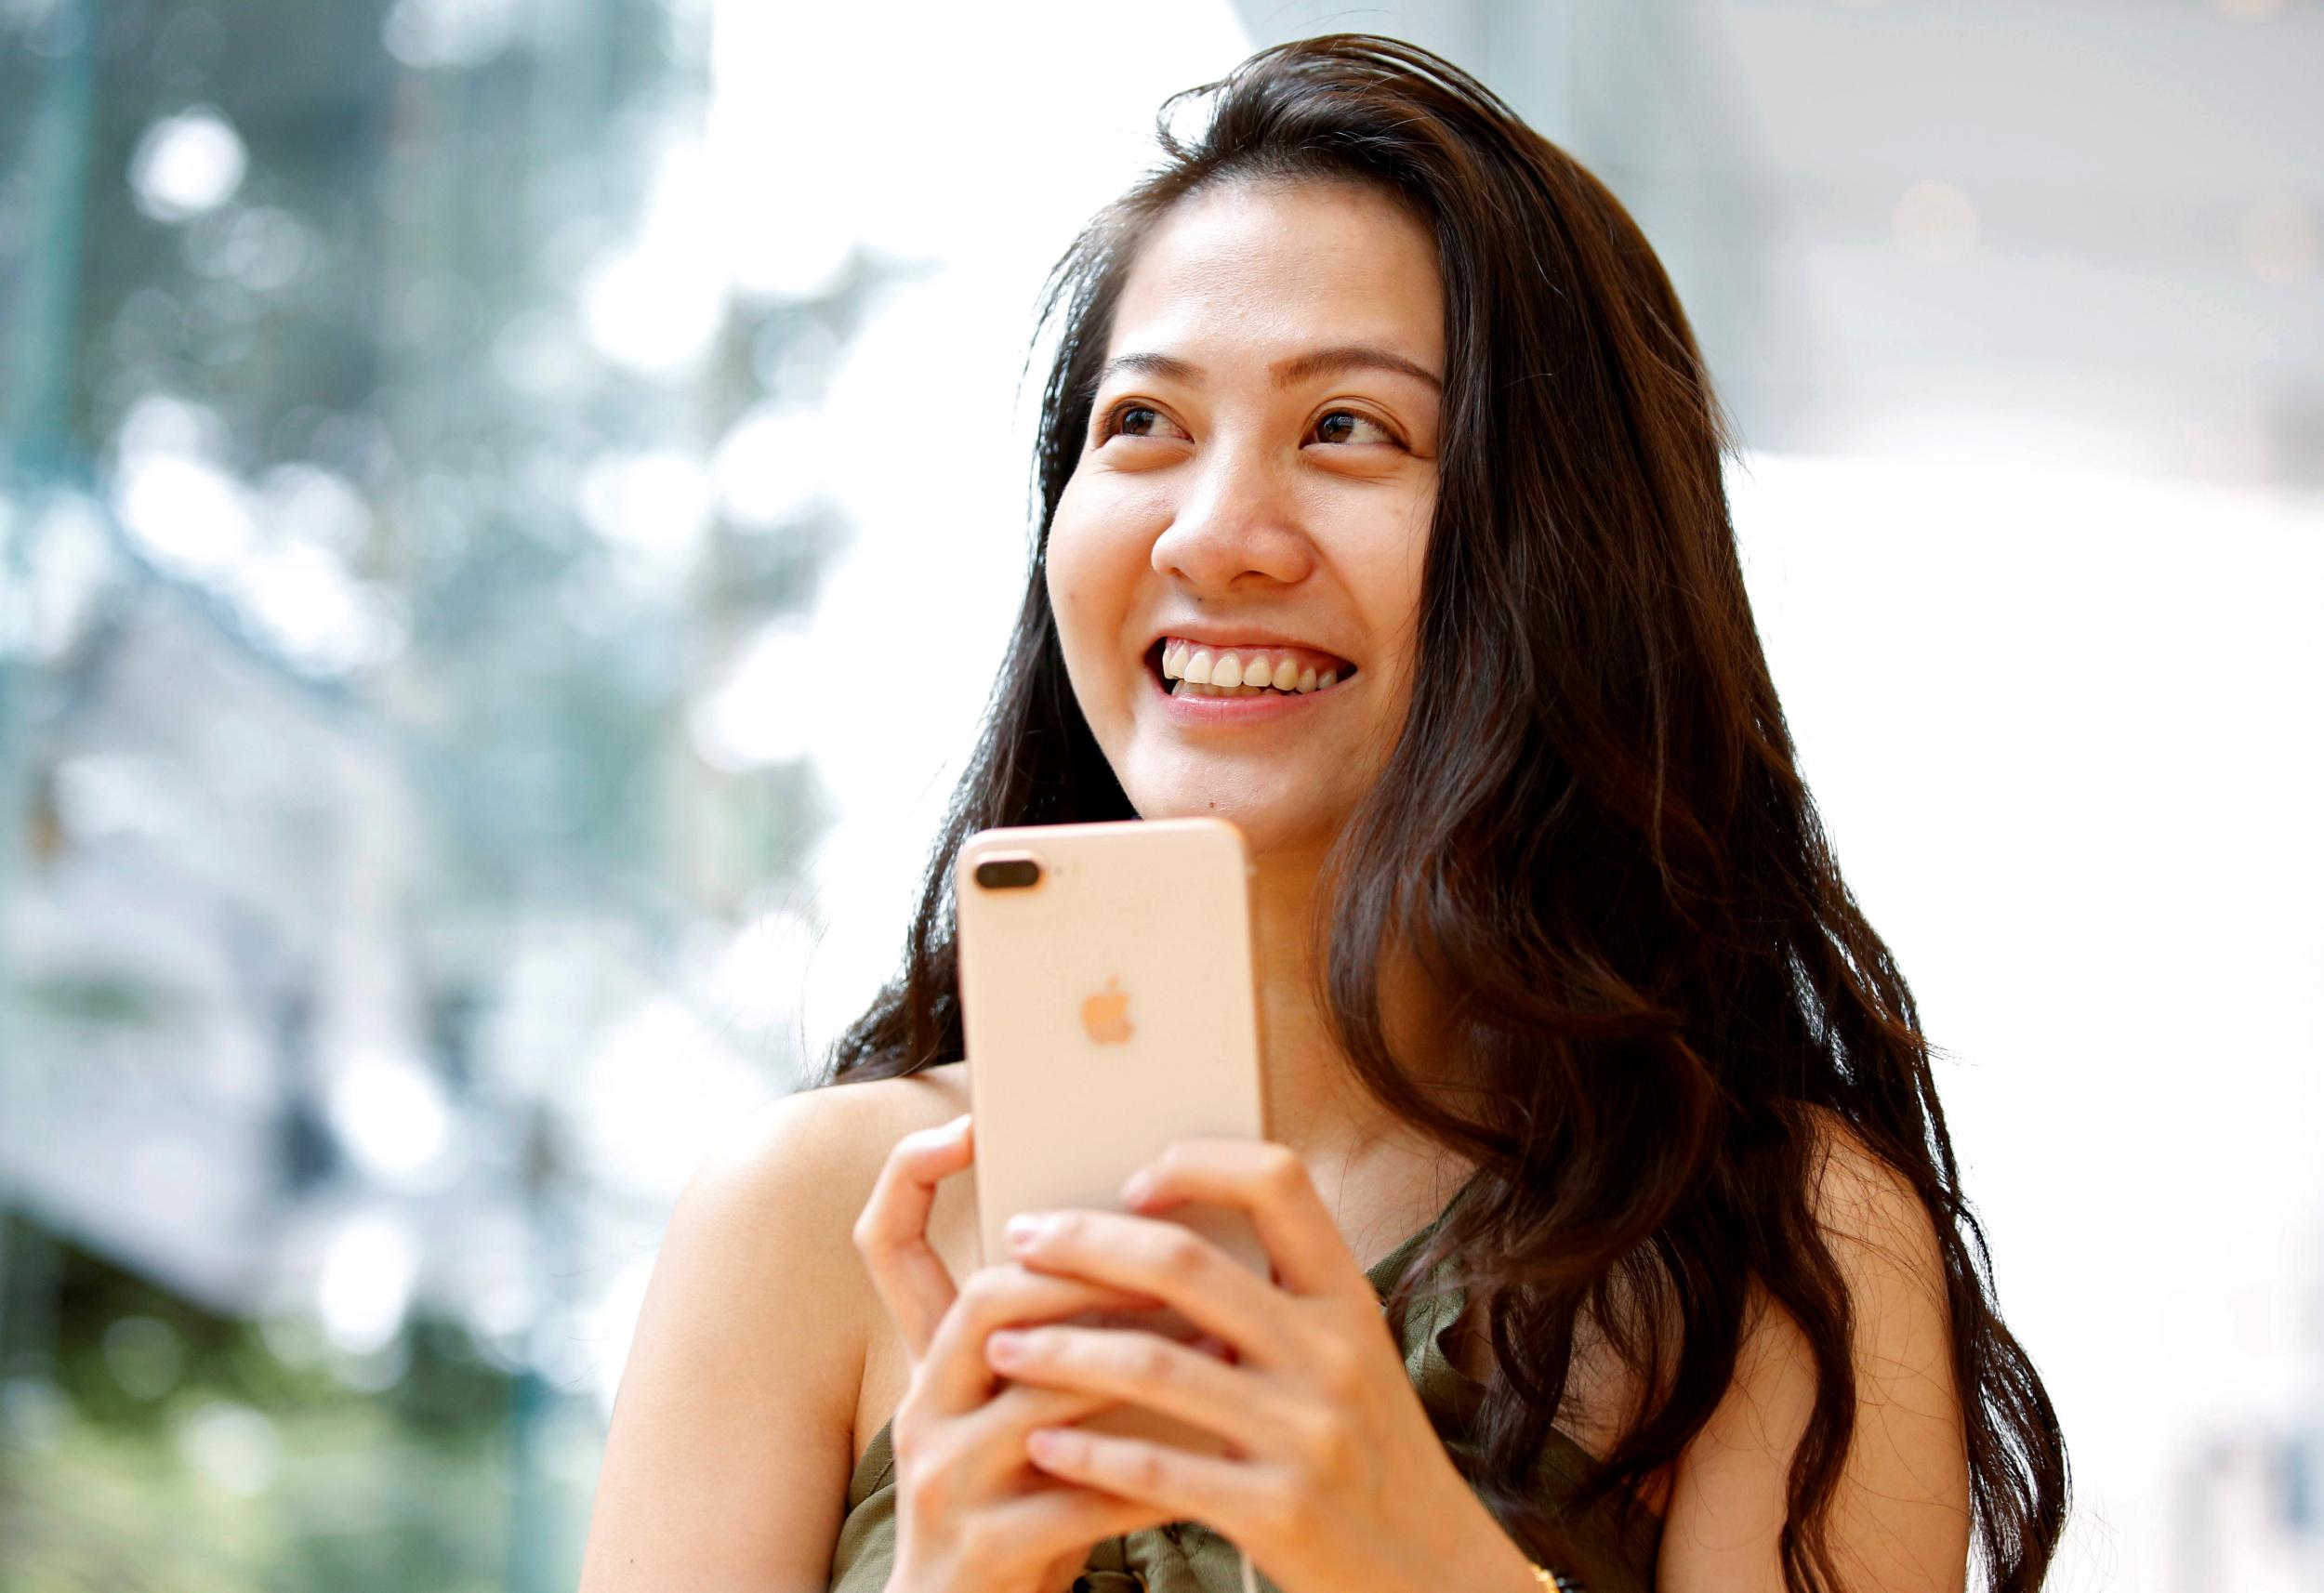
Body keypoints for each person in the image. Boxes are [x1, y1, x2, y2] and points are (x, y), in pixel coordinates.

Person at [576, 33, 2068, 1593]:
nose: (1217, 535)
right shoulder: (810, 1220)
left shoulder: (1772, 1245)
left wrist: (1416, 1557)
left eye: (1349, 427)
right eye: (1142, 424)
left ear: (1567, 546)